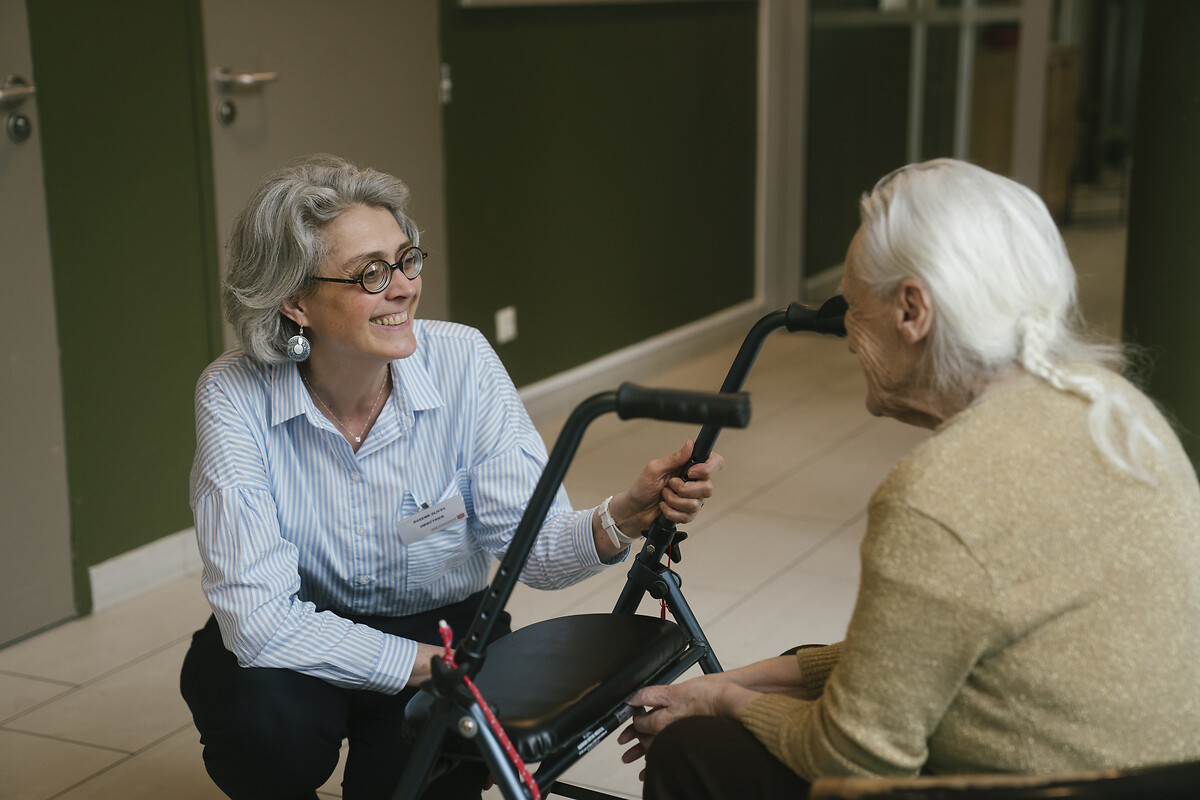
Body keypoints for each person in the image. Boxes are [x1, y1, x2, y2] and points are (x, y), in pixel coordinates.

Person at [618, 158, 1200, 799]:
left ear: (913, 309)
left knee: (693, 750)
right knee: (807, 666)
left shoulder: (940, 493)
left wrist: (724, 703)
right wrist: (756, 679)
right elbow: (939, 639)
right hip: (1157, 777)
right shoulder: (1120, 415)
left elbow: (855, 761)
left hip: (1047, 784)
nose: (843, 333)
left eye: (852, 304)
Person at [179, 154, 724, 800]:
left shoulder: (462, 361)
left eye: (407, 260)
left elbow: (538, 551)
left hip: (440, 626)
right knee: (262, 730)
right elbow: (261, 623)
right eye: (371, 274)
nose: (404, 287)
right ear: (294, 301)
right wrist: (427, 669)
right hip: (308, 631)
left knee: (413, 783)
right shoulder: (234, 394)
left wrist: (623, 516)